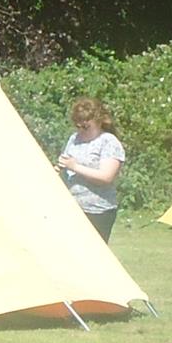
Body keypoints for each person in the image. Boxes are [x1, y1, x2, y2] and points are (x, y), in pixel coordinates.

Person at [57, 96, 126, 239]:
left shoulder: (108, 141)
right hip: (71, 207)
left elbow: (106, 177)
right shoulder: (74, 139)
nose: (81, 130)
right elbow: (65, 165)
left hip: (98, 212)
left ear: (98, 122)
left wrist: (75, 167)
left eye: (86, 127)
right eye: (78, 126)